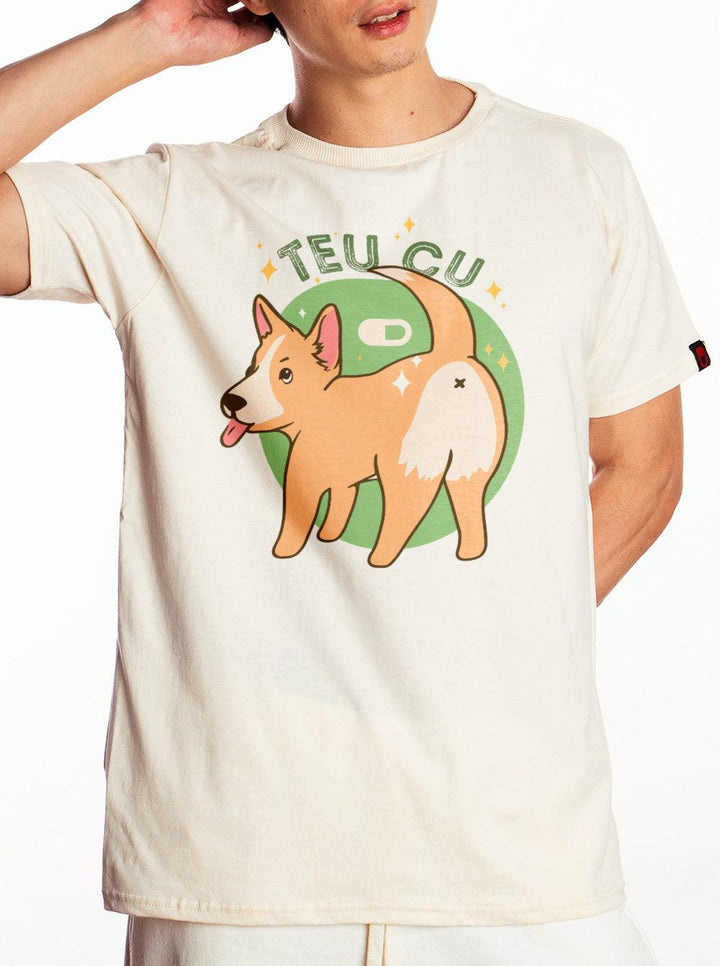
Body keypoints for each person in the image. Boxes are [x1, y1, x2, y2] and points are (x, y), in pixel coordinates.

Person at [0, 2, 711, 964]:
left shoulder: (578, 175)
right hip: (241, 874)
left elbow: (644, 466)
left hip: (521, 861)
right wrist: (149, 35)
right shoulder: (176, 205)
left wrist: (485, 641)